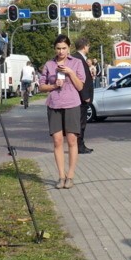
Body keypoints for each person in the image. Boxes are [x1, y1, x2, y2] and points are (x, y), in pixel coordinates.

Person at [41, 34, 85, 189]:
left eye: (64, 48)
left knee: (72, 140)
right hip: (54, 105)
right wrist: (53, 86)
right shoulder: (49, 64)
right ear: (55, 49)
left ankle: (70, 176)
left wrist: (70, 73)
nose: (61, 51)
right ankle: (61, 176)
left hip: (72, 104)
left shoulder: (77, 63)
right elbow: (41, 86)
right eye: (58, 48)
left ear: (69, 48)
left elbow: (80, 86)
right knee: (57, 141)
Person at [72, 37, 94, 154]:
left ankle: (80, 144)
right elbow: (81, 80)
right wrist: (85, 95)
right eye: (88, 46)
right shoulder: (78, 59)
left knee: (82, 122)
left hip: (81, 96)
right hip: (81, 97)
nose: (89, 48)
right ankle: (79, 146)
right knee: (81, 123)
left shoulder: (80, 58)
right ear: (84, 46)